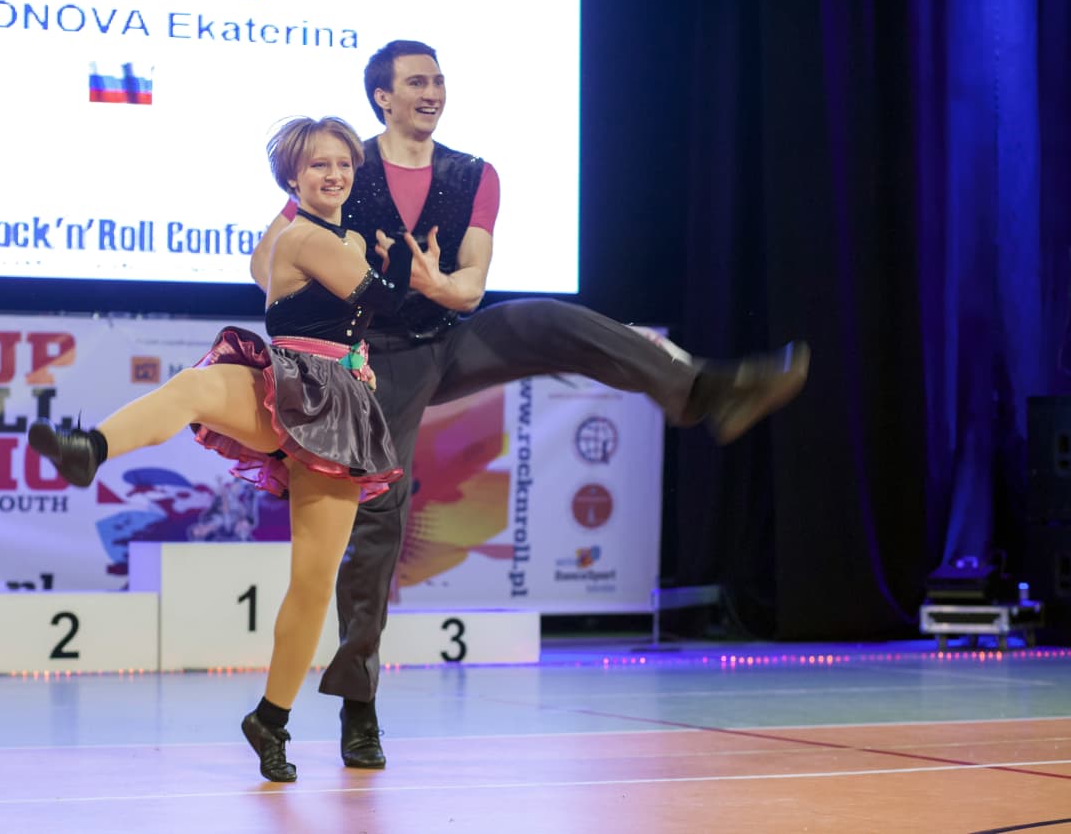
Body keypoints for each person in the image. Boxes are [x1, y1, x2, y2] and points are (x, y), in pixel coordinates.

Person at [248, 40, 811, 770]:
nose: (433, 90)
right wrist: (320, 259)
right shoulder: (341, 161)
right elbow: (266, 261)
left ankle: (704, 389)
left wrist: (435, 284)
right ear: (381, 96)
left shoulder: (473, 174)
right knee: (379, 528)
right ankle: (360, 707)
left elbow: (470, 286)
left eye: (439, 79)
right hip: (374, 363)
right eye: (417, 81)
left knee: (547, 320)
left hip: (447, 335)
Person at [28, 116, 419, 783]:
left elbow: (360, 313)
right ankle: (89, 447)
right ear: (291, 180)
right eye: (317, 165)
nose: (334, 174)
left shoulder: (343, 236)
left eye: (343, 164)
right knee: (197, 385)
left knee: (312, 584)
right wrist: (406, 254)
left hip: (339, 405)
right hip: (290, 385)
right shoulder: (299, 234)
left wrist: (359, 352)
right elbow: (384, 297)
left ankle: (272, 717)